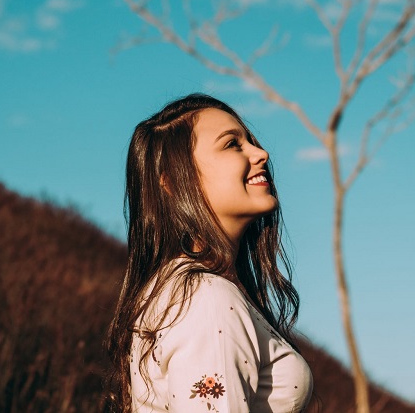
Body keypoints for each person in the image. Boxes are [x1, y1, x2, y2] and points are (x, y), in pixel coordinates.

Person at [105, 93, 313, 412]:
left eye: (251, 141)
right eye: (232, 144)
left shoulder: (183, 289)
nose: (261, 153)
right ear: (172, 181)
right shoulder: (206, 298)